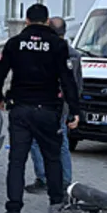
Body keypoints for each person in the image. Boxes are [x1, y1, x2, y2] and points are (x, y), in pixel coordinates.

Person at [0, 3, 80, 213]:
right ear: (47, 21)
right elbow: (68, 81)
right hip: (48, 110)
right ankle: (56, 204)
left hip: (20, 109)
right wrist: (74, 112)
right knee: (52, 158)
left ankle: (13, 210)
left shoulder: (14, 43)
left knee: (17, 161)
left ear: (27, 21)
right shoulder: (58, 45)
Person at [26, 16, 77, 194]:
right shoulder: (72, 53)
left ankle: (48, 178)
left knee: (40, 141)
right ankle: (61, 180)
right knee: (59, 142)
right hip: (58, 106)